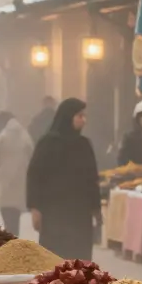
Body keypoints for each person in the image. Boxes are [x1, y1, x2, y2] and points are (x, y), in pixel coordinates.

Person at [26, 98, 99, 260]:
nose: (83, 120)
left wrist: (96, 209)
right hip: (54, 213)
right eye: (80, 116)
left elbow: (92, 179)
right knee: (53, 262)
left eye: (84, 116)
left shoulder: (84, 145)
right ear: (68, 116)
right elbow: (34, 175)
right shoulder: (48, 143)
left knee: (79, 263)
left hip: (80, 214)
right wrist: (35, 208)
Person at [0, 111, 33, 234]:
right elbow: (31, 152)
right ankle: (14, 233)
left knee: (6, 207)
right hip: (20, 176)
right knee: (16, 210)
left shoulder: (3, 135)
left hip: (5, 176)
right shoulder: (24, 134)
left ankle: (9, 232)